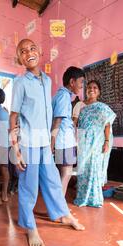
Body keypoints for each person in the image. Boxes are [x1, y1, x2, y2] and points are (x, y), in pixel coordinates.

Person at [10, 38, 85, 246]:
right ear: (19, 58)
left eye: (32, 48)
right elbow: (13, 117)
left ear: (40, 52)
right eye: (23, 51)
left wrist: (51, 142)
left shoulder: (48, 81)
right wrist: (16, 150)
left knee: (53, 181)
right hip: (28, 144)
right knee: (29, 187)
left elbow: (50, 115)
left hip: (44, 143)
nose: (28, 53)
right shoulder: (20, 82)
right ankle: (30, 226)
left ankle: (63, 215)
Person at [74, 80, 116, 208]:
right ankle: (82, 197)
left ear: (99, 92)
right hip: (83, 141)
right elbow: (74, 122)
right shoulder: (80, 105)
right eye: (89, 87)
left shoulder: (102, 107)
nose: (91, 89)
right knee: (83, 168)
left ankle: (95, 198)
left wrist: (107, 142)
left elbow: (107, 125)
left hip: (98, 141)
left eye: (95, 88)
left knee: (94, 168)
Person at [51, 66, 85, 198]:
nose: (82, 85)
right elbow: (57, 121)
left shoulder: (59, 95)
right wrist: (51, 145)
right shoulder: (64, 97)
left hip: (62, 141)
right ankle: (58, 207)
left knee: (62, 174)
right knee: (66, 173)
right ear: (72, 82)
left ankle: (58, 206)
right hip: (63, 141)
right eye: (81, 82)